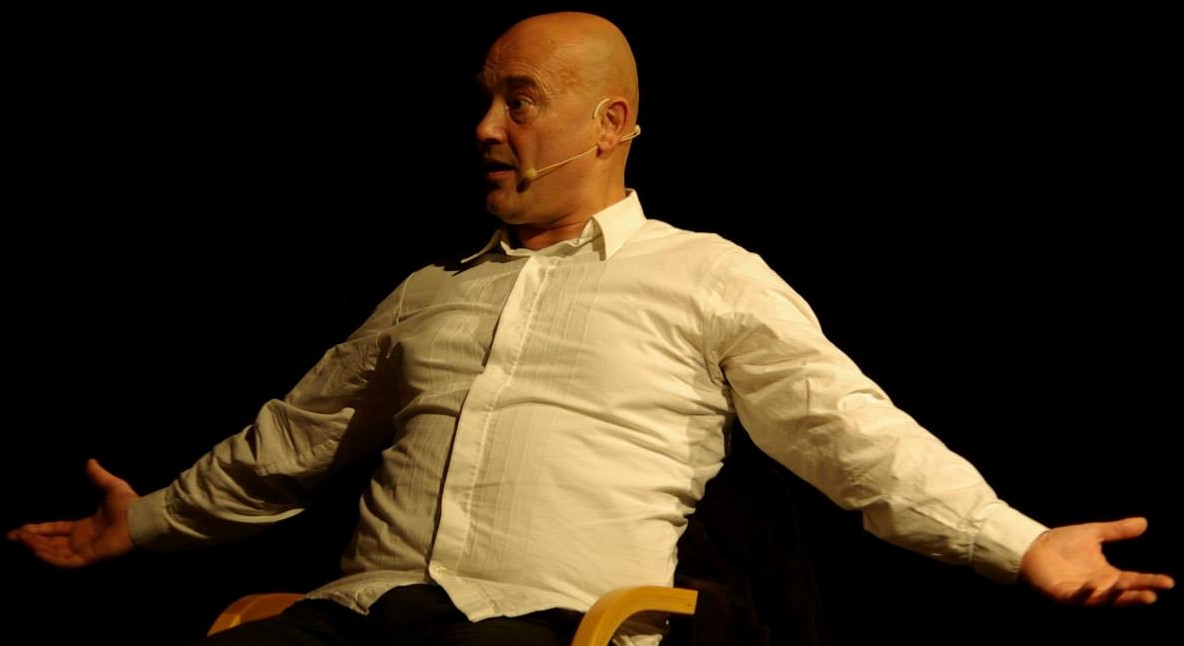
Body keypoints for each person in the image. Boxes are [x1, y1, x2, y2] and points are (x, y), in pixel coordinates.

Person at [7, 10, 1174, 646]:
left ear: (609, 123)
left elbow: (850, 436)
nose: (484, 128)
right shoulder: (427, 293)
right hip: (362, 616)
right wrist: (143, 524)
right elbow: (291, 442)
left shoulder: (704, 277)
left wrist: (1019, 542)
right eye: (483, 101)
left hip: (553, 633)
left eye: (517, 101)